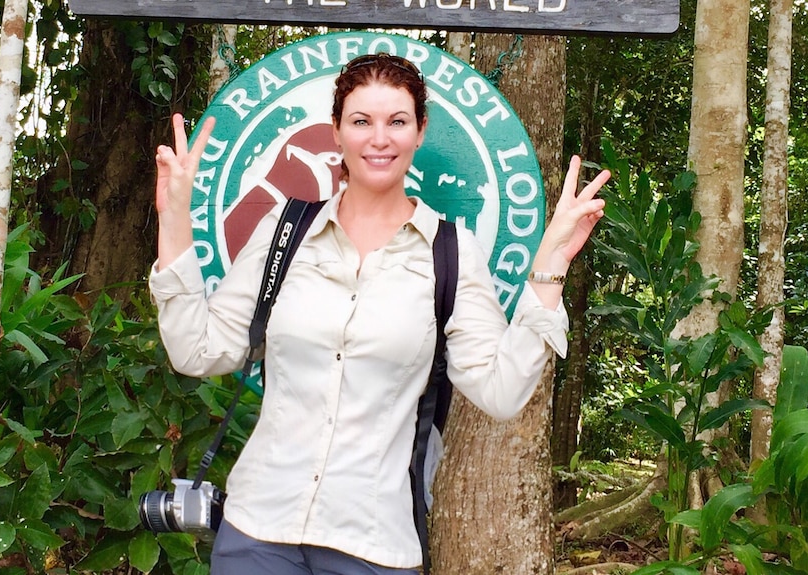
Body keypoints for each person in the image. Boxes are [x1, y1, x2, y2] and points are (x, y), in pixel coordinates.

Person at [149, 53, 610, 575]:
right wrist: (175, 218)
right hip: (256, 534)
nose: (379, 138)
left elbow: (500, 393)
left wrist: (551, 265)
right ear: (336, 132)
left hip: (374, 548)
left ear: (420, 132)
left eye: (397, 121)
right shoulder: (285, 231)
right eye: (361, 121)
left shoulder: (451, 253)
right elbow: (198, 351)